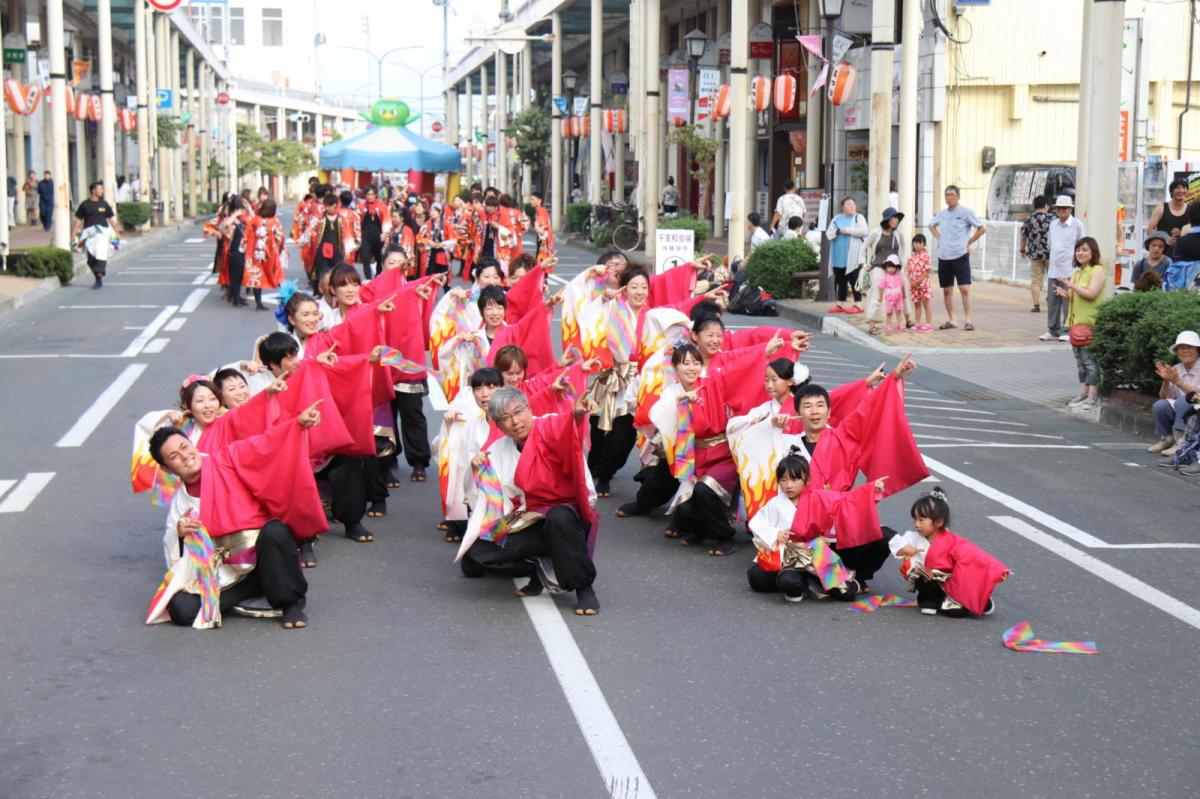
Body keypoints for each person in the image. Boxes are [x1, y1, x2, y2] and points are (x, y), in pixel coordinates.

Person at [145, 420, 316, 630]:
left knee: (275, 532)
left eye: (184, 447)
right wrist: (179, 534)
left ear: (191, 443)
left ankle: (290, 603)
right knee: (181, 609)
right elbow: (175, 554)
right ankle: (259, 586)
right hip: (227, 570)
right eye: (174, 457)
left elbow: (263, 445)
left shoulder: (226, 459)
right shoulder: (181, 503)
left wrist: (297, 425)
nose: (185, 456)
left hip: (262, 555)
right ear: (166, 468)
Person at [457, 386, 601, 616]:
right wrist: (479, 472)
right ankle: (538, 563)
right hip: (528, 519)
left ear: (528, 408)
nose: (515, 421)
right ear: (497, 424)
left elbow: (564, 427)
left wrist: (577, 415)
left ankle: (584, 588)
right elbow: (488, 503)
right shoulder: (497, 450)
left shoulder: (548, 426)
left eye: (518, 412)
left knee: (558, 519)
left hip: (567, 515)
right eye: (505, 418)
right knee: (477, 551)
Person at [745, 453, 886, 602]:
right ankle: (809, 581)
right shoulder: (775, 503)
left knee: (847, 594)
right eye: (783, 479)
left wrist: (870, 489)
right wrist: (776, 533)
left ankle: (832, 581)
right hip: (789, 555)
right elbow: (756, 523)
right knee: (760, 579)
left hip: (816, 552)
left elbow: (844, 500)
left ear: (806, 479)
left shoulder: (818, 498)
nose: (788, 485)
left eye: (794, 479)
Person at [892, 487, 1009, 617]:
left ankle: (980, 600)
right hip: (927, 580)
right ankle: (928, 601)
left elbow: (975, 555)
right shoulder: (913, 537)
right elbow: (896, 543)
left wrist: (998, 570)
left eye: (921, 520)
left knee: (955, 612)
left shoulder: (951, 540)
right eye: (915, 519)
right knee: (919, 573)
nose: (916, 524)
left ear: (939, 522)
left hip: (949, 584)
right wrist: (905, 549)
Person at [1056, 236, 1106, 412]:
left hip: (1089, 323)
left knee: (1090, 360)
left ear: (1093, 252)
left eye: (1085, 249)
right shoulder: (1077, 272)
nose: (1080, 253)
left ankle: (1093, 394)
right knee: (1080, 361)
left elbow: (1091, 294)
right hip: (1075, 324)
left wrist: (1071, 286)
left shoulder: (1097, 270)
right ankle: (1083, 392)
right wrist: (1066, 292)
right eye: (1078, 249)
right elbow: (1078, 295)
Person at [928, 185, 985, 331]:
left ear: (958, 196)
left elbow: (982, 228)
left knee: (964, 288)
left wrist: (969, 242)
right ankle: (952, 320)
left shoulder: (966, 212)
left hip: (960, 254)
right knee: (947, 290)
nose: (949, 197)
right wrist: (939, 238)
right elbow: (931, 226)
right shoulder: (942, 213)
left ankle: (968, 320)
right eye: (946, 195)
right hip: (944, 256)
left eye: (952, 194)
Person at [1040, 195, 1087, 342]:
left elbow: (1083, 245)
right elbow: (1049, 244)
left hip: (1070, 269)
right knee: (1053, 301)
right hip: (1054, 268)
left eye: (1065, 208)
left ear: (1071, 209)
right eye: (1059, 208)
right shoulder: (1053, 224)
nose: (1062, 210)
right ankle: (1053, 330)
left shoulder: (1077, 224)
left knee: (1068, 300)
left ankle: (1067, 330)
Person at [1149, 331, 1200, 456]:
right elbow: (1165, 397)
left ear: (1198, 350)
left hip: (1197, 404)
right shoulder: (1176, 368)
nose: (1185, 351)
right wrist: (1166, 381)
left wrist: (1179, 382)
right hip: (1185, 406)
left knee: (1183, 400)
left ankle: (1181, 442)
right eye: (1181, 348)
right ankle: (1167, 439)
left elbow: (1197, 397)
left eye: (1189, 347)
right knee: (1160, 405)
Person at [863, 207, 911, 334]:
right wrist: (865, 264)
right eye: (893, 217)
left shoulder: (898, 234)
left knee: (903, 292)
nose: (896, 220)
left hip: (895, 268)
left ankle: (908, 319)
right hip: (878, 267)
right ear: (887, 219)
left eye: (897, 218)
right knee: (877, 295)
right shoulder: (875, 233)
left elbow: (903, 249)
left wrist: (901, 262)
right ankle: (871, 324)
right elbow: (864, 247)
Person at [825, 197, 868, 314]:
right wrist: (838, 231)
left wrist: (848, 230)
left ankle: (858, 304)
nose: (851, 206)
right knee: (840, 281)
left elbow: (864, 231)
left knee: (854, 280)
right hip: (838, 256)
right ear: (842, 207)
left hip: (853, 257)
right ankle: (840, 304)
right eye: (848, 204)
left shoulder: (859, 218)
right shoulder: (836, 218)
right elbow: (829, 233)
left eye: (853, 204)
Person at [72, 180, 116, 289]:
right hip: (89, 235)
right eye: (100, 189)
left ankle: (99, 275)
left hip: (102, 235)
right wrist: (73, 233)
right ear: (93, 190)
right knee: (91, 260)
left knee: (101, 253)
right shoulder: (85, 205)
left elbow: (111, 219)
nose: (102, 191)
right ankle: (97, 275)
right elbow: (78, 220)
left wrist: (117, 232)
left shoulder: (104, 204)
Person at [1019, 194, 1052, 312]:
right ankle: (1051, 300)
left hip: (1035, 255)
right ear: (1047, 206)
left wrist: (1022, 250)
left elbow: (1023, 237)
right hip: (1050, 255)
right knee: (1053, 278)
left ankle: (1036, 306)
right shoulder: (1052, 219)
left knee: (1036, 281)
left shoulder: (1029, 219)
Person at [1146, 179, 1190, 254]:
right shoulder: (1161, 208)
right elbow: (1149, 230)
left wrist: (1182, 233)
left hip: (1184, 255)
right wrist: (1165, 239)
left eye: (1184, 188)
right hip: (1163, 255)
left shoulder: (1191, 209)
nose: (1181, 190)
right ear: (1171, 192)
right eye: (1178, 188)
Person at [220, 197, 249, 307]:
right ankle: (235, 299)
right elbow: (226, 225)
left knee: (240, 275)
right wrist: (235, 214)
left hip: (241, 249)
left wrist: (249, 208)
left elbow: (253, 219)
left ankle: (237, 296)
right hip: (234, 250)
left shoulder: (241, 220)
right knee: (235, 276)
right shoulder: (231, 219)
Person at [357, 185, 390, 279]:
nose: (370, 197)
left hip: (379, 237)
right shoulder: (361, 206)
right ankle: (368, 279)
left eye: (372, 194)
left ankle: (378, 278)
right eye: (368, 194)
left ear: (375, 195)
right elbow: (357, 221)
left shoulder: (382, 206)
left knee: (380, 260)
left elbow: (386, 220)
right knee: (366, 259)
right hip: (366, 236)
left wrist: (385, 233)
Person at [907, 234, 933, 331]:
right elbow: (908, 270)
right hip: (914, 285)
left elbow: (926, 271)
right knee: (917, 304)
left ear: (923, 244)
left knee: (926, 304)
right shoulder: (911, 257)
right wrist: (911, 281)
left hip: (924, 284)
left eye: (919, 243)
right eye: (915, 242)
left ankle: (928, 324)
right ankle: (917, 323)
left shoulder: (926, 256)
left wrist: (918, 280)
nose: (916, 245)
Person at [878, 255, 908, 334]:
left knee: (898, 311)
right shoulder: (885, 277)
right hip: (889, 297)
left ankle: (899, 324)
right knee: (889, 312)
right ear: (886, 267)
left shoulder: (899, 276)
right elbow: (881, 287)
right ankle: (888, 324)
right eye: (889, 267)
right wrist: (880, 296)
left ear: (896, 267)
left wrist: (904, 294)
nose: (890, 269)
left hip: (899, 297)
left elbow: (902, 286)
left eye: (893, 267)